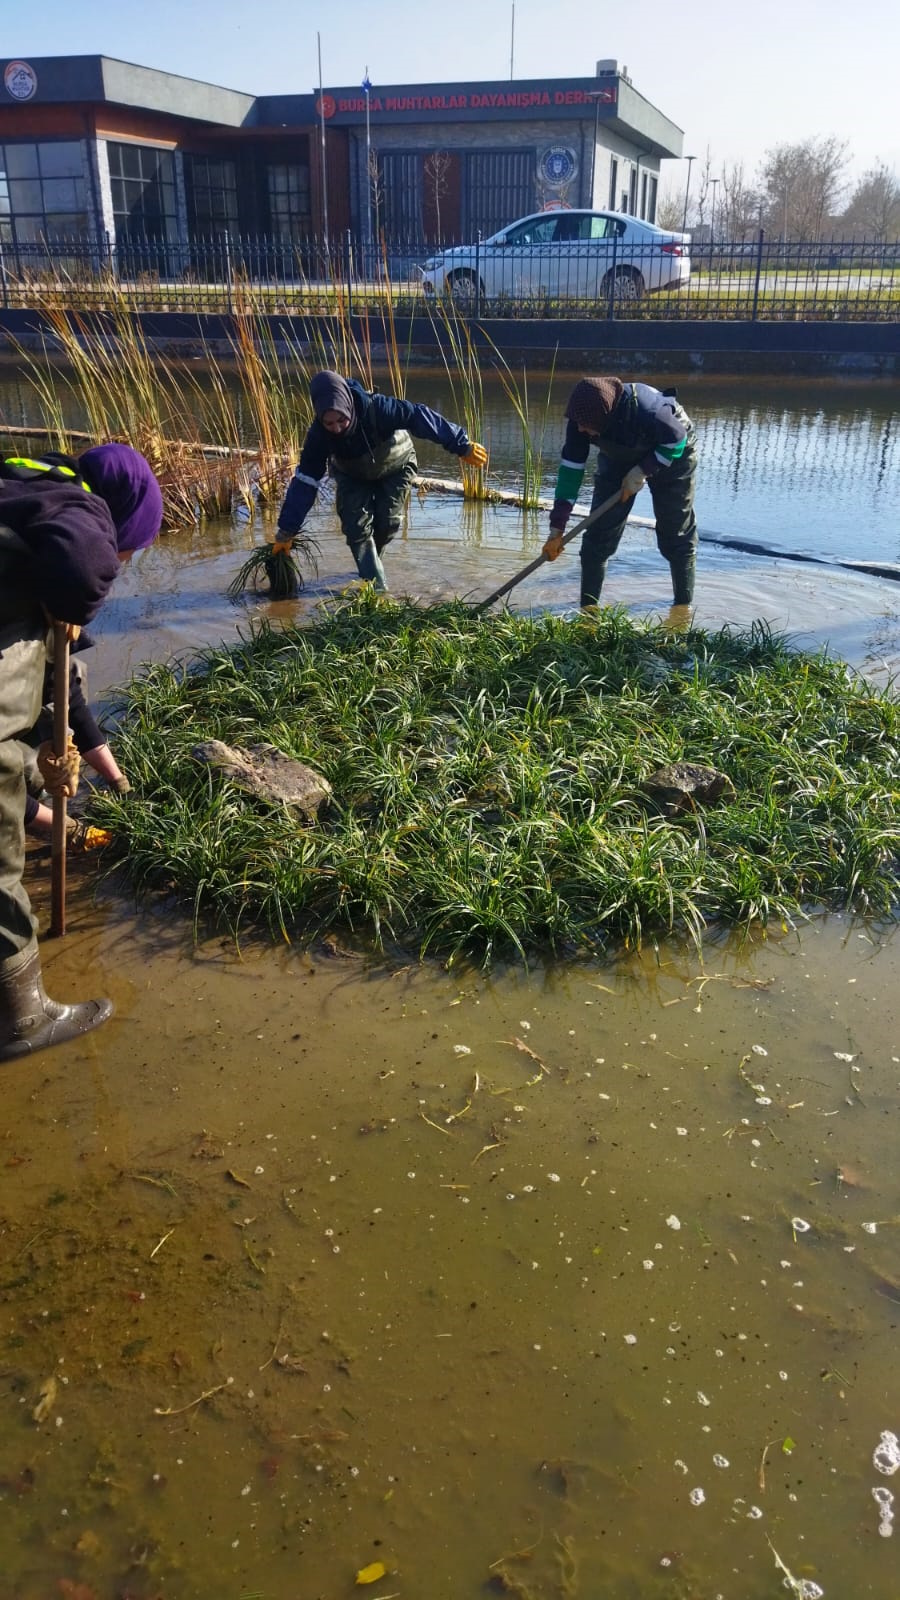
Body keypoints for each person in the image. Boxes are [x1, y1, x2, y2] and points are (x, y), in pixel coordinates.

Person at [0, 444, 163, 1061]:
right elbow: (84, 566)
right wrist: (58, 826)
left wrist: (111, 779)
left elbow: (61, 691)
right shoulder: (81, 513)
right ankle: (21, 1021)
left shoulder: (24, 493)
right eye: (129, 549)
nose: (123, 561)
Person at [274, 370, 488, 592]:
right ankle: (378, 591)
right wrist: (286, 531)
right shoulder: (318, 437)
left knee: (387, 523)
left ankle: (372, 564)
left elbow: (418, 416)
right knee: (355, 528)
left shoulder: (377, 408)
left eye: (341, 420)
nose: (337, 428)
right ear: (319, 417)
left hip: (397, 465)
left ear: (348, 406)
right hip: (352, 474)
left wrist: (460, 444)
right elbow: (306, 482)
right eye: (329, 423)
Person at [543, 377, 698, 609]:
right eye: (578, 424)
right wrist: (557, 528)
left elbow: (676, 440)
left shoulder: (649, 412)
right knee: (598, 536)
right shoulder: (579, 421)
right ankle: (588, 611)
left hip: (672, 452)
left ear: (603, 417)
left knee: (675, 531)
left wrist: (643, 470)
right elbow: (570, 474)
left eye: (586, 426)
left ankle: (682, 608)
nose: (580, 429)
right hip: (618, 459)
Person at [23, 643, 131, 851]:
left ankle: (33, 801)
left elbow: (78, 717)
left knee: (72, 669)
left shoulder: (41, 653)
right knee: (27, 773)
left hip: (18, 708)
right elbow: (4, 791)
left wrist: (118, 782)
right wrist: (71, 830)